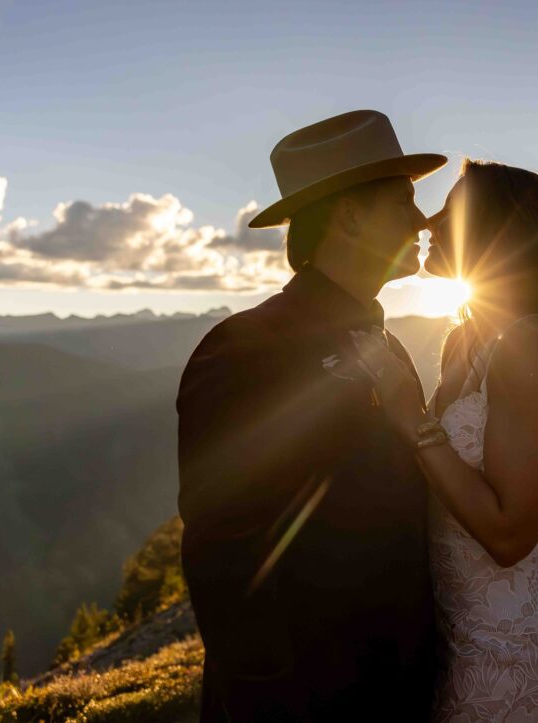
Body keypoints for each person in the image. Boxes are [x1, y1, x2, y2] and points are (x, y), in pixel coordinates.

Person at [176, 110, 446, 721]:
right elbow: (223, 543)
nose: (421, 219)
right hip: (303, 696)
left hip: (399, 688)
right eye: (403, 201)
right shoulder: (244, 348)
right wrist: (269, 689)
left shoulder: (393, 346)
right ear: (349, 216)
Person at [359, 159, 538, 721]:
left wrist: (414, 421)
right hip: (452, 637)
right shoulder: (463, 341)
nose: (428, 221)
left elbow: (509, 535)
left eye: (451, 212)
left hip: (512, 650)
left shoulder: (536, 345)